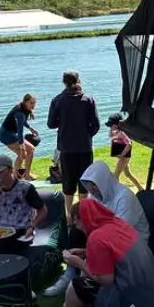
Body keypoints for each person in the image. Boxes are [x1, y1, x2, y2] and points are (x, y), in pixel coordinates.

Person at [52, 200, 154, 307]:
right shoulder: (116, 223)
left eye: (75, 219)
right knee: (87, 264)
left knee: (75, 286)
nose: (74, 224)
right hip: (151, 280)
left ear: (85, 217)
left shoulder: (96, 237)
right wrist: (86, 252)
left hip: (132, 294)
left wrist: (79, 263)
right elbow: (114, 251)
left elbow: (106, 280)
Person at [44, 159, 149, 297]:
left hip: (130, 243)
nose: (91, 188)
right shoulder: (96, 195)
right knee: (76, 229)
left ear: (104, 181)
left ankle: (87, 278)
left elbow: (119, 233)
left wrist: (90, 250)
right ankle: (70, 275)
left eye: (94, 184)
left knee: (91, 239)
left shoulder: (124, 198)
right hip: (106, 237)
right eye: (88, 184)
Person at [0, 154, 47, 257]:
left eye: (0, 172)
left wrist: (32, 226)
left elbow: (43, 211)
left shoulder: (25, 188)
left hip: (20, 232)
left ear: (10, 169)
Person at [47, 70, 100, 219]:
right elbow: (95, 125)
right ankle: (83, 214)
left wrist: (63, 123)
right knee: (84, 182)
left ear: (64, 82)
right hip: (84, 147)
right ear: (79, 80)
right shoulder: (88, 99)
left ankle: (69, 216)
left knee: (68, 183)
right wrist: (87, 135)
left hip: (66, 147)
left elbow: (51, 124)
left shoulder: (57, 100)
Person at [0, 93, 38, 180]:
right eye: (31, 103)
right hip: (7, 134)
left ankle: (14, 176)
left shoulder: (23, 108)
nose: (33, 105)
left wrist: (30, 128)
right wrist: (22, 148)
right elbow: (20, 132)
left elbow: (23, 121)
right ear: (25, 102)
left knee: (21, 155)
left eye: (34, 103)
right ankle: (27, 175)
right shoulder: (20, 113)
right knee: (31, 149)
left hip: (3, 133)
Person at [107, 113, 143, 191]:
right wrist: (112, 128)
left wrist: (121, 154)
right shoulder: (118, 131)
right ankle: (140, 188)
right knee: (128, 174)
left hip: (124, 157)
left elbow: (129, 144)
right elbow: (110, 135)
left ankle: (115, 192)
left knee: (115, 176)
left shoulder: (122, 133)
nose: (110, 127)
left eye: (111, 125)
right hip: (124, 157)